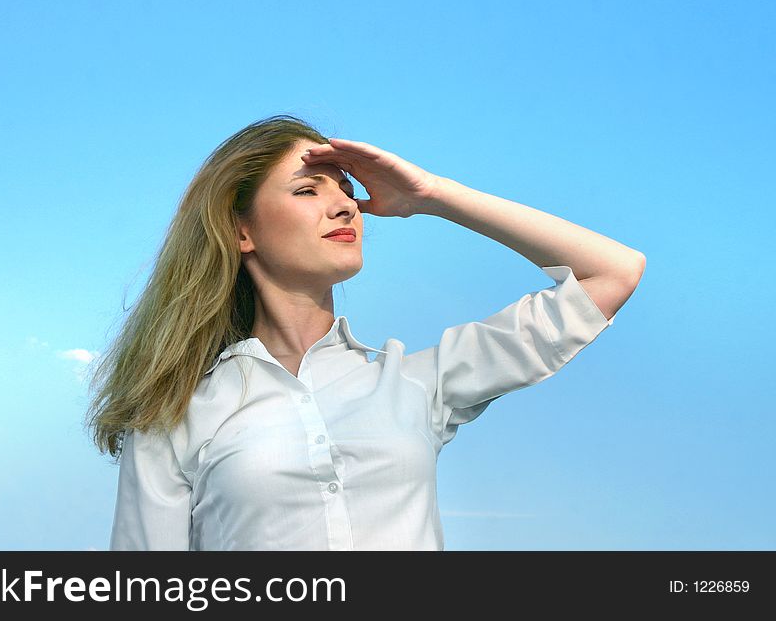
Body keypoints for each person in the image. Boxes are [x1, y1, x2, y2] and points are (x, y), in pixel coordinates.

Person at [85, 114, 645, 550]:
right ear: (241, 231)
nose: (344, 207)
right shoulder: (174, 414)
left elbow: (613, 272)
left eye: (345, 191)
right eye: (308, 191)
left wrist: (432, 194)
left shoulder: (418, 381)